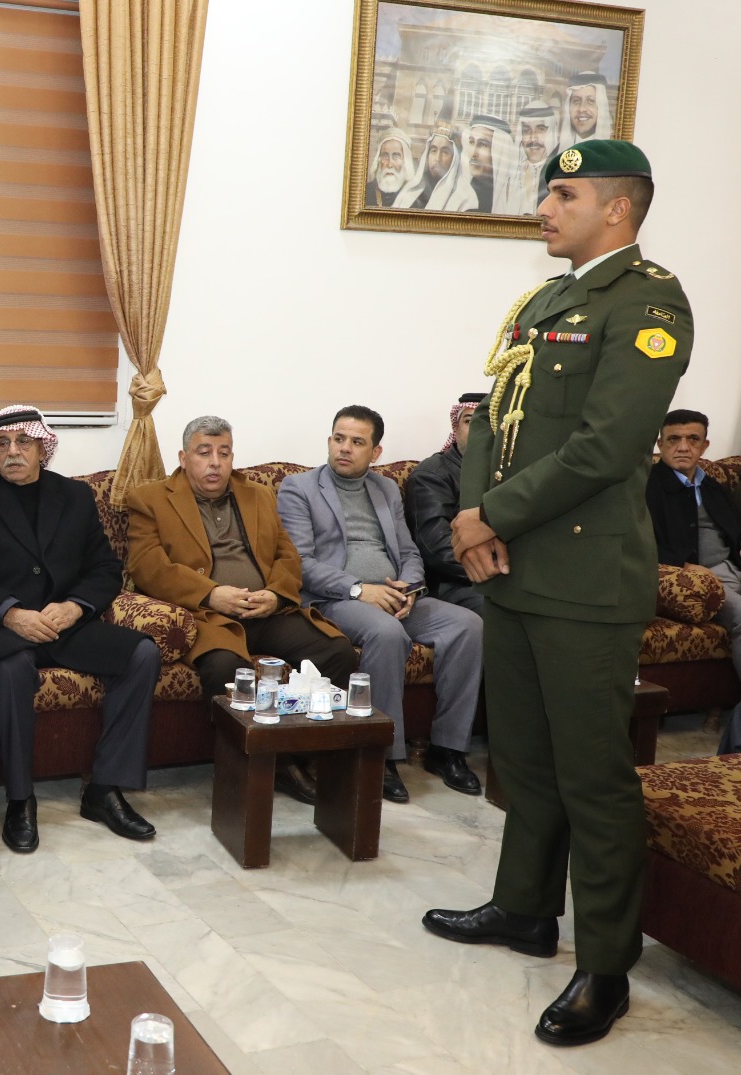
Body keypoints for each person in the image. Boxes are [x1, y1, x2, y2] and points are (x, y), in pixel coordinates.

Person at [423, 140, 691, 1047]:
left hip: (583, 579)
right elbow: (489, 423)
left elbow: (607, 447)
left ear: (617, 208)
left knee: (593, 777)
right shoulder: (544, 302)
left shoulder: (649, 301)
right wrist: (473, 518)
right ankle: (524, 909)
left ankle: (605, 966)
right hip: (513, 569)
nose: (543, 207)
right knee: (526, 761)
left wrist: (489, 515)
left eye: (563, 194)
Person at [0, 405, 159, 852]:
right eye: (2, 444)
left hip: (65, 625)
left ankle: (104, 789)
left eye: (23, 442)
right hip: (1, 628)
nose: (13, 452)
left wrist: (76, 607)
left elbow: (105, 568)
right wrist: (10, 613)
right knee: (10, 670)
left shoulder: (74, 496)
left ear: (42, 447)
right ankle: (20, 800)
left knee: (142, 653)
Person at [126, 416, 357, 805]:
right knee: (226, 669)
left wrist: (276, 595)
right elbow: (147, 566)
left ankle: (305, 756)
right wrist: (211, 594)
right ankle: (271, 767)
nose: (215, 463)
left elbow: (287, 554)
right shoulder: (150, 499)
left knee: (336, 652)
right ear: (183, 457)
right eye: (204, 453)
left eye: (224, 452)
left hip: (265, 611)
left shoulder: (258, 495)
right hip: (208, 617)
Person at [276, 406, 484, 802]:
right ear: (329, 441)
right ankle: (381, 755)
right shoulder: (298, 488)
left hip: (393, 595)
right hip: (336, 598)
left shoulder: (386, 488)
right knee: (387, 633)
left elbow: (408, 551)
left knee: (468, 625)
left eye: (357, 442)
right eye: (339, 439)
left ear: (375, 452)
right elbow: (298, 562)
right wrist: (359, 589)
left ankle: (448, 749)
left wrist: (411, 587)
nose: (344, 448)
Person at [644, 409, 741, 753]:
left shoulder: (713, 486)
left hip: (732, 568)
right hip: (700, 579)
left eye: (692, 439)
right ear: (660, 444)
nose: (683, 447)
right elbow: (642, 541)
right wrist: (685, 566)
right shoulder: (648, 486)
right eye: (674, 439)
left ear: (705, 445)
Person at [405, 393, 486, 610]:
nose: (478, 429)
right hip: (453, 583)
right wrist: (492, 568)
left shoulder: (506, 472)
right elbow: (436, 549)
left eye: (487, 421)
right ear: (456, 428)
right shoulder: (432, 474)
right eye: (469, 421)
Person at [393, 126, 477, 212]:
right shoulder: (411, 189)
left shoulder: (466, 198)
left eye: (445, 152)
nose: (437, 158)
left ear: (454, 158)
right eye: (433, 150)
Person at [464, 114, 526, 215]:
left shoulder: (514, 197)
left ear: (500, 152)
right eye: (471, 142)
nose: (473, 153)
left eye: (483, 144)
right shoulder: (460, 193)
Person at [516, 102, 560, 214]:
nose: (533, 138)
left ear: (551, 132)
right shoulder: (512, 175)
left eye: (541, 129)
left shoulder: (560, 174)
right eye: (526, 131)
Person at [560, 73, 615, 149]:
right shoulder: (558, 153)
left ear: (601, 108)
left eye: (591, 101)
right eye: (576, 101)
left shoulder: (612, 152)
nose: (582, 109)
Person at [365, 128, 413, 208]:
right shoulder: (365, 192)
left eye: (396, 156)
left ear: (405, 161)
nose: (390, 164)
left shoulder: (414, 196)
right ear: (378, 160)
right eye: (385, 156)